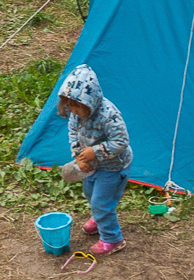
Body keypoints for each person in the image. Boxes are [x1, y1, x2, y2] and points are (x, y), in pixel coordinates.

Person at [57, 64, 132, 255]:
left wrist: (95, 151)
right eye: (69, 105)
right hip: (92, 166)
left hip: (113, 167)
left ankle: (112, 239)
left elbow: (121, 141)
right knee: (90, 194)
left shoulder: (108, 114)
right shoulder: (75, 114)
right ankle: (100, 218)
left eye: (77, 105)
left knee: (101, 202)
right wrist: (77, 154)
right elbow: (73, 133)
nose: (73, 110)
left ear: (90, 100)